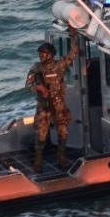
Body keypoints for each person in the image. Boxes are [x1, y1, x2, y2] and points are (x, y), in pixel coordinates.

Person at [25, 31, 80, 173]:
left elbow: (74, 53)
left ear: (51, 54)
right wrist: (38, 87)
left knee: (63, 133)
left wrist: (73, 36)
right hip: (43, 107)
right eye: (40, 54)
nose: (41, 56)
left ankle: (61, 158)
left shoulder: (59, 65)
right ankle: (38, 162)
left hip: (58, 105)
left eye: (44, 54)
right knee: (41, 135)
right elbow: (27, 86)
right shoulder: (36, 68)